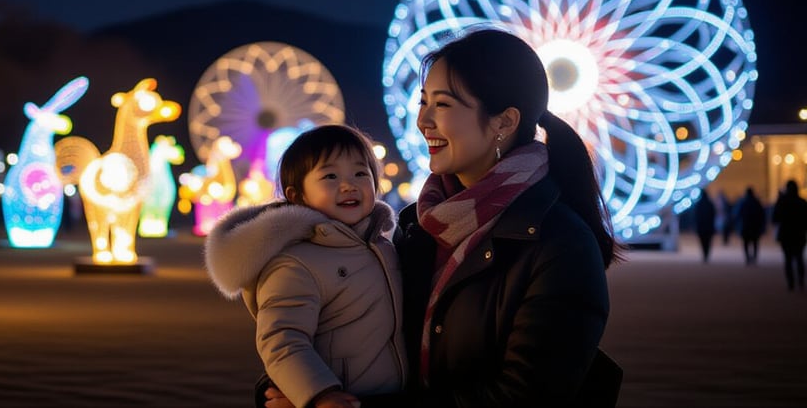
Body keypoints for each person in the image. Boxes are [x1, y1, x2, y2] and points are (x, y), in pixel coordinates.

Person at [269, 28, 623, 407]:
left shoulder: (560, 246)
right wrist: (291, 389)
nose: (423, 120)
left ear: (503, 122)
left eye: (443, 105)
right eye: (423, 102)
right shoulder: (413, 228)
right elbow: (340, 331)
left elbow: (522, 396)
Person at [204, 123, 406, 408]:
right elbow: (282, 339)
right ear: (297, 196)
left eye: (361, 173)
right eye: (330, 176)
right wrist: (318, 393)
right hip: (339, 399)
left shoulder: (385, 246)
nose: (348, 185)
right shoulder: (294, 263)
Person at [772, 180, 807, 291]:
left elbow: (775, 218)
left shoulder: (783, 202)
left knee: (788, 259)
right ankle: (800, 280)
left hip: (786, 234)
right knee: (799, 258)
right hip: (799, 234)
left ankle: (790, 282)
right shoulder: (802, 202)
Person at [736, 187, 766, 265]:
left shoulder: (743, 202)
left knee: (746, 243)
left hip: (745, 226)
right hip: (755, 226)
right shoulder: (756, 202)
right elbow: (762, 215)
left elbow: (737, 214)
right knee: (755, 242)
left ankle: (747, 257)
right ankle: (754, 257)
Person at [693, 188, 717, 263]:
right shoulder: (710, 203)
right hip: (709, 227)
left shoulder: (698, 204)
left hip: (701, 227)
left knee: (703, 242)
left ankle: (704, 255)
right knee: (708, 242)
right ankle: (707, 254)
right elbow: (713, 214)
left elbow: (696, 216)